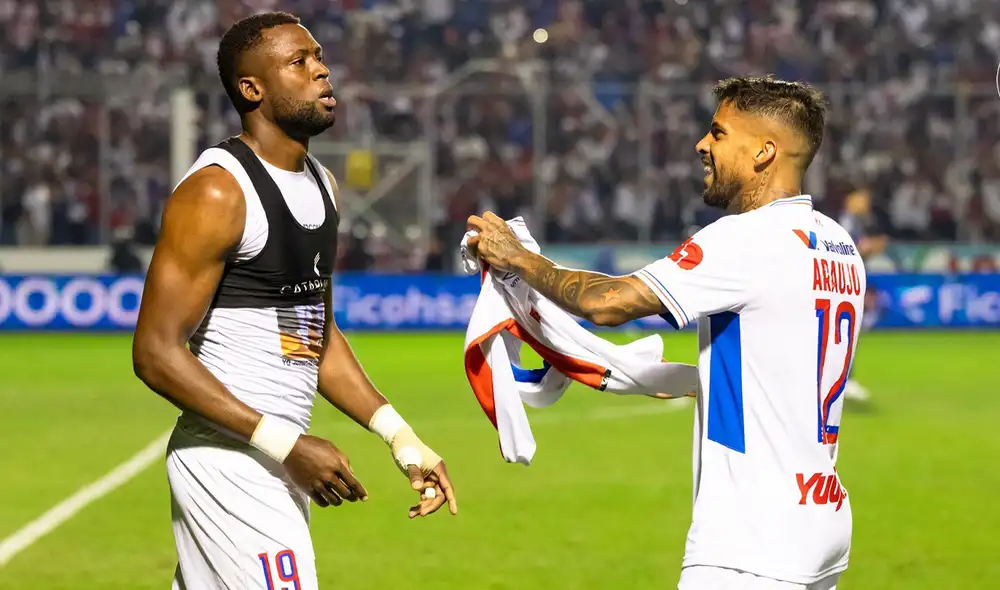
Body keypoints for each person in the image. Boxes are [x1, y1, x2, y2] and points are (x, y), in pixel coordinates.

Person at [467, 75, 865, 590]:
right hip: (821, 520)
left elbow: (607, 302)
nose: (701, 144)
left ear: (764, 151)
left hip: (751, 541)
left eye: (718, 133)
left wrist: (519, 258)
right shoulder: (838, 245)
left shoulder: (745, 240)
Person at [131, 12, 457, 590]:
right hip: (229, 464)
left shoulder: (321, 185)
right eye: (298, 62)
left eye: (319, 57)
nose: (321, 71)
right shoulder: (218, 191)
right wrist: (287, 444)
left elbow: (316, 334)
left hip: (272, 460)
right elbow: (155, 353)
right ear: (251, 89)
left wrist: (401, 438)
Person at [838, 188, 887, 403]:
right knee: (846, 332)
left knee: (849, 333)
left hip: (849, 280)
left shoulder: (856, 221)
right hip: (843, 282)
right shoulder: (848, 221)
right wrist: (871, 247)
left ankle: (845, 378)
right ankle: (845, 380)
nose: (866, 204)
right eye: (862, 200)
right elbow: (848, 249)